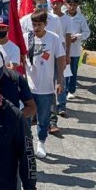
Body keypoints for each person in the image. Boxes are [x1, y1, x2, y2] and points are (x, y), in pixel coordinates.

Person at [24, 10, 66, 159]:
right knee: (26, 117)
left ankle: (41, 142)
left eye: (39, 25)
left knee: (44, 117)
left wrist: (60, 80)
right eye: (34, 25)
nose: (36, 28)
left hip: (46, 88)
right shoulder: (26, 38)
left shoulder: (53, 39)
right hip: (28, 87)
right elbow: (20, 59)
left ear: (46, 24)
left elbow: (61, 59)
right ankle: (26, 143)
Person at [50, 0, 73, 117]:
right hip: (48, 51)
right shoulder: (47, 17)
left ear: (61, 4)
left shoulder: (67, 19)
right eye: (53, 3)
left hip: (61, 51)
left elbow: (68, 37)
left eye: (57, 3)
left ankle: (61, 105)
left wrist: (67, 55)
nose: (54, 6)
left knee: (61, 78)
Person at [63, 0, 90, 101]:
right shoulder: (62, 17)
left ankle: (71, 90)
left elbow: (87, 32)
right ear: (66, 5)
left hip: (75, 49)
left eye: (75, 5)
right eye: (70, 5)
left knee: (73, 70)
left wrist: (78, 37)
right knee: (63, 70)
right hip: (63, 48)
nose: (72, 7)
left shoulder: (80, 18)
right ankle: (63, 90)